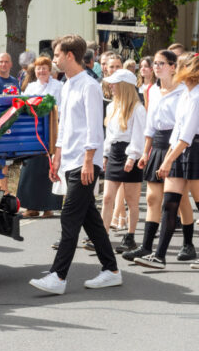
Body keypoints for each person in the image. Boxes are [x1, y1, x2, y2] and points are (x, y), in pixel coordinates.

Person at [29, 35, 122, 295]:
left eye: (57, 55)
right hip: (69, 159)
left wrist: (89, 161)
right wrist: (57, 155)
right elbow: (65, 125)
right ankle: (111, 270)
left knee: (69, 217)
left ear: (70, 55)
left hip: (84, 161)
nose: (54, 59)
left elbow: (94, 128)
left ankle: (58, 276)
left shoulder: (89, 86)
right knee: (90, 218)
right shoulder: (66, 85)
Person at [135, 53, 199, 269]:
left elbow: (187, 135)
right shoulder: (187, 93)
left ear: (186, 70)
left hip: (196, 151)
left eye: (180, 66)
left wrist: (167, 161)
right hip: (179, 151)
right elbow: (177, 132)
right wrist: (168, 157)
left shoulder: (198, 96)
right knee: (170, 203)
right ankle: (159, 256)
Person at [121, 50, 186, 262]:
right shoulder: (153, 90)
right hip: (157, 142)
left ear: (173, 67)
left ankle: (188, 243)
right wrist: (145, 151)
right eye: (155, 63)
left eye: (161, 63)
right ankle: (146, 247)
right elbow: (150, 125)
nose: (156, 67)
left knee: (178, 200)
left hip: (176, 143)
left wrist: (171, 152)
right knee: (152, 198)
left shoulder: (183, 90)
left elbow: (182, 125)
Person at [100, 69, 146, 254]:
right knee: (107, 197)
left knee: (131, 200)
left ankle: (130, 236)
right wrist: (105, 154)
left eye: (114, 83)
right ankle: (102, 235)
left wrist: (133, 156)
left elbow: (139, 135)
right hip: (114, 152)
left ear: (124, 86)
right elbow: (109, 135)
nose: (111, 86)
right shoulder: (111, 107)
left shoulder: (138, 108)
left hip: (129, 153)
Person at [17, 56, 64, 218]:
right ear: (35, 71)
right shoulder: (30, 87)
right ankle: (32, 207)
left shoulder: (58, 86)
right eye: (39, 68)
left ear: (50, 70)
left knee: (48, 166)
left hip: (51, 131)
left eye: (44, 68)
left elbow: (61, 108)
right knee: (31, 167)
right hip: (33, 132)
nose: (42, 71)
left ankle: (48, 207)